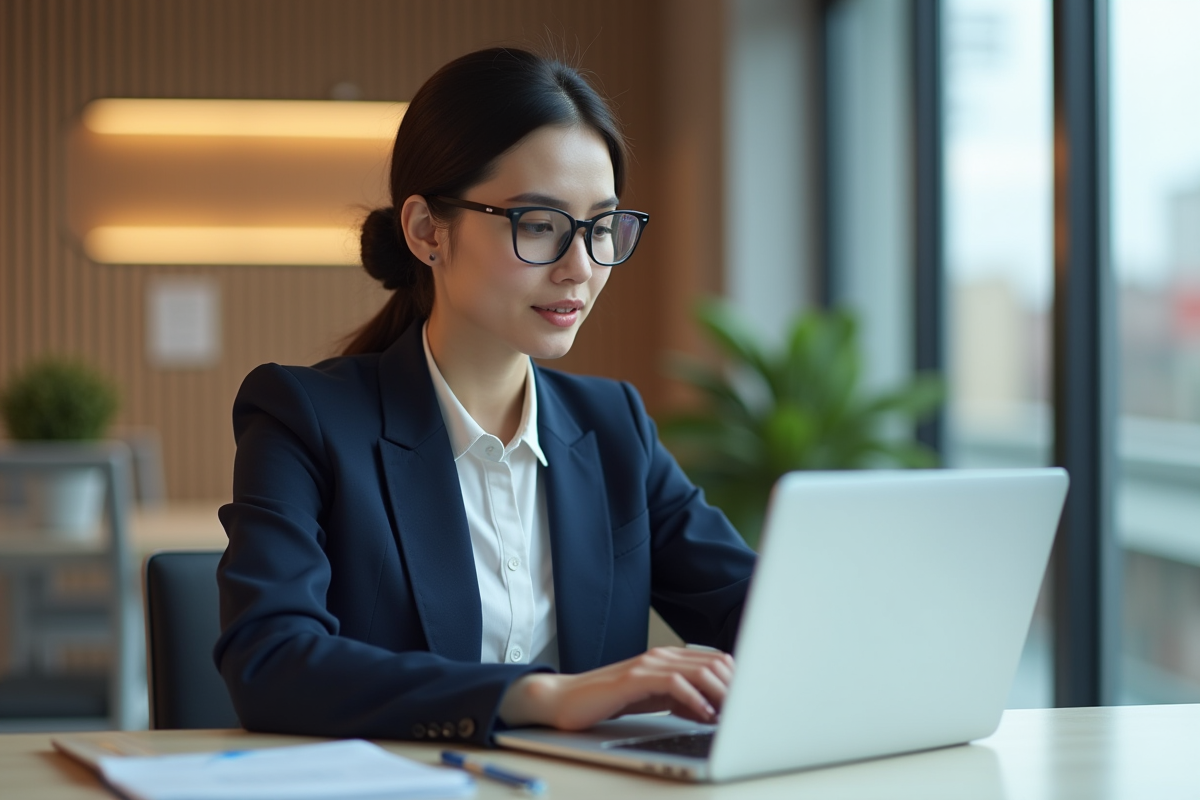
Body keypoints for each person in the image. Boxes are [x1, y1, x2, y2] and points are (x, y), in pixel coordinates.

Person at [214, 47, 757, 746]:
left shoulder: (613, 428)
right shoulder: (305, 418)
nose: (580, 268)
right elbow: (271, 662)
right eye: (538, 224)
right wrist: (544, 697)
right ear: (426, 231)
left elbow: (763, 618)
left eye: (601, 226)